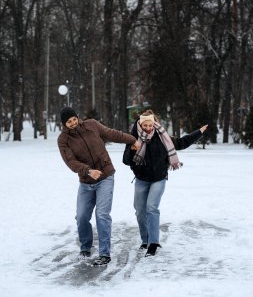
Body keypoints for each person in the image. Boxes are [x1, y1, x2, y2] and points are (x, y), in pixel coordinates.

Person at [57, 107, 141, 266]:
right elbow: (71, 162)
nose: (73, 123)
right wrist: (87, 171)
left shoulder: (92, 125)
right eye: (69, 122)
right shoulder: (63, 140)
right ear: (64, 124)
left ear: (77, 117)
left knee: (102, 214)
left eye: (74, 119)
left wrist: (132, 139)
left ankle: (104, 253)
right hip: (86, 182)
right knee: (81, 217)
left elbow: (112, 134)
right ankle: (85, 248)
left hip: (105, 177)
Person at [123, 109, 208, 257]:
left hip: (159, 179)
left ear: (154, 123)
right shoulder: (134, 138)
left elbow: (182, 143)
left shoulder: (163, 136)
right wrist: (131, 149)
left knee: (151, 208)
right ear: (140, 124)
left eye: (150, 125)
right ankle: (146, 240)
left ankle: (153, 243)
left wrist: (198, 132)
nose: (148, 128)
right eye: (145, 126)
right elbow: (126, 160)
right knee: (140, 211)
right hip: (141, 179)